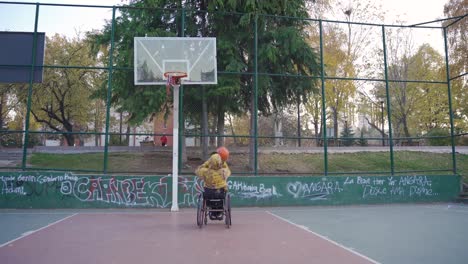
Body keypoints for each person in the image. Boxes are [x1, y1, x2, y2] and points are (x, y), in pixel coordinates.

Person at [195, 147, 231, 220]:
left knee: (208, 197)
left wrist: (207, 163)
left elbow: (197, 171)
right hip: (220, 194)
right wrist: (222, 163)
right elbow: (228, 170)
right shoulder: (224, 171)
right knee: (223, 195)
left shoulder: (205, 172)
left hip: (208, 194)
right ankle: (219, 213)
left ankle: (212, 212)